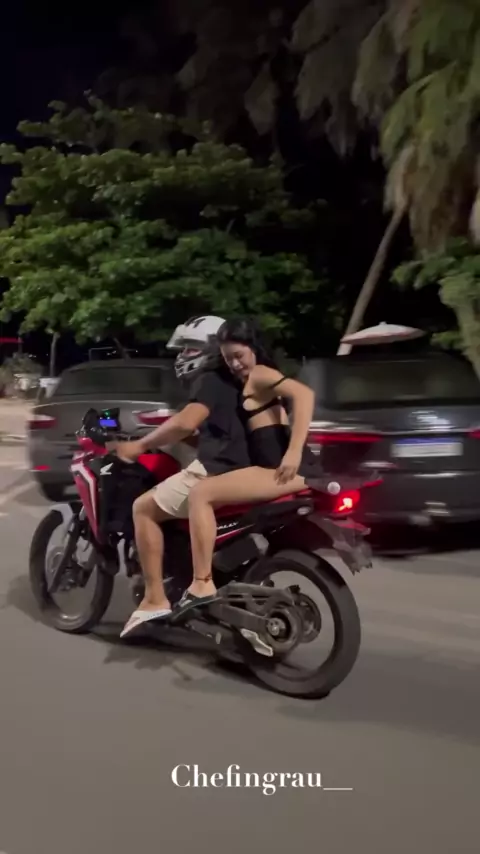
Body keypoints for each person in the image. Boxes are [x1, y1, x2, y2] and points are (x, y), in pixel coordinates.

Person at [115, 315, 252, 638]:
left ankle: (155, 598)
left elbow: (186, 422)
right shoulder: (240, 379)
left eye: (190, 349)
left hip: (221, 470)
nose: (182, 356)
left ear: (212, 349)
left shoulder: (210, 379)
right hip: (251, 470)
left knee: (143, 508)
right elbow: (217, 431)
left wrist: (140, 445)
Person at [172, 316, 318, 618]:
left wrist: (293, 453)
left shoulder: (261, 373)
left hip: (281, 469)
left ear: (253, 348)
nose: (236, 364)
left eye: (239, 355)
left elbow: (305, 395)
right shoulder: (242, 381)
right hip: (268, 468)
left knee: (200, 494)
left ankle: (201, 584)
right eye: (229, 359)